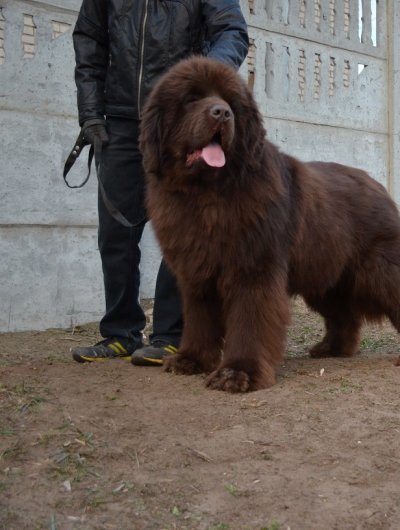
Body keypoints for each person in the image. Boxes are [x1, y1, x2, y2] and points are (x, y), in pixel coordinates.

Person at [69, 0, 249, 366]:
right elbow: (89, 43)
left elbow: (232, 31)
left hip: (178, 120)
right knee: (115, 233)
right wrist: (90, 114)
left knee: (183, 231)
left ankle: (170, 334)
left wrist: (200, 80)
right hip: (119, 120)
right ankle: (119, 333)